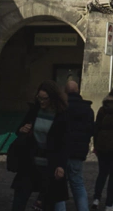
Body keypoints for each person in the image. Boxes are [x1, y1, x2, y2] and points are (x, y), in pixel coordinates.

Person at [10, 80, 69, 211]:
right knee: (19, 199)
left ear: (52, 98)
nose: (41, 101)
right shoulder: (34, 110)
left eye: (45, 99)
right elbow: (20, 129)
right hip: (30, 161)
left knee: (47, 202)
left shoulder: (61, 115)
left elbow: (64, 142)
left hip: (49, 164)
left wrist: (61, 165)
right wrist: (22, 129)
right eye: (39, 98)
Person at [64, 79, 94, 211]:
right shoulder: (87, 109)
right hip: (78, 151)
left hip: (62, 150)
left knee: (58, 186)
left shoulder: (62, 107)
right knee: (78, 184)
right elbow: (90, 130)